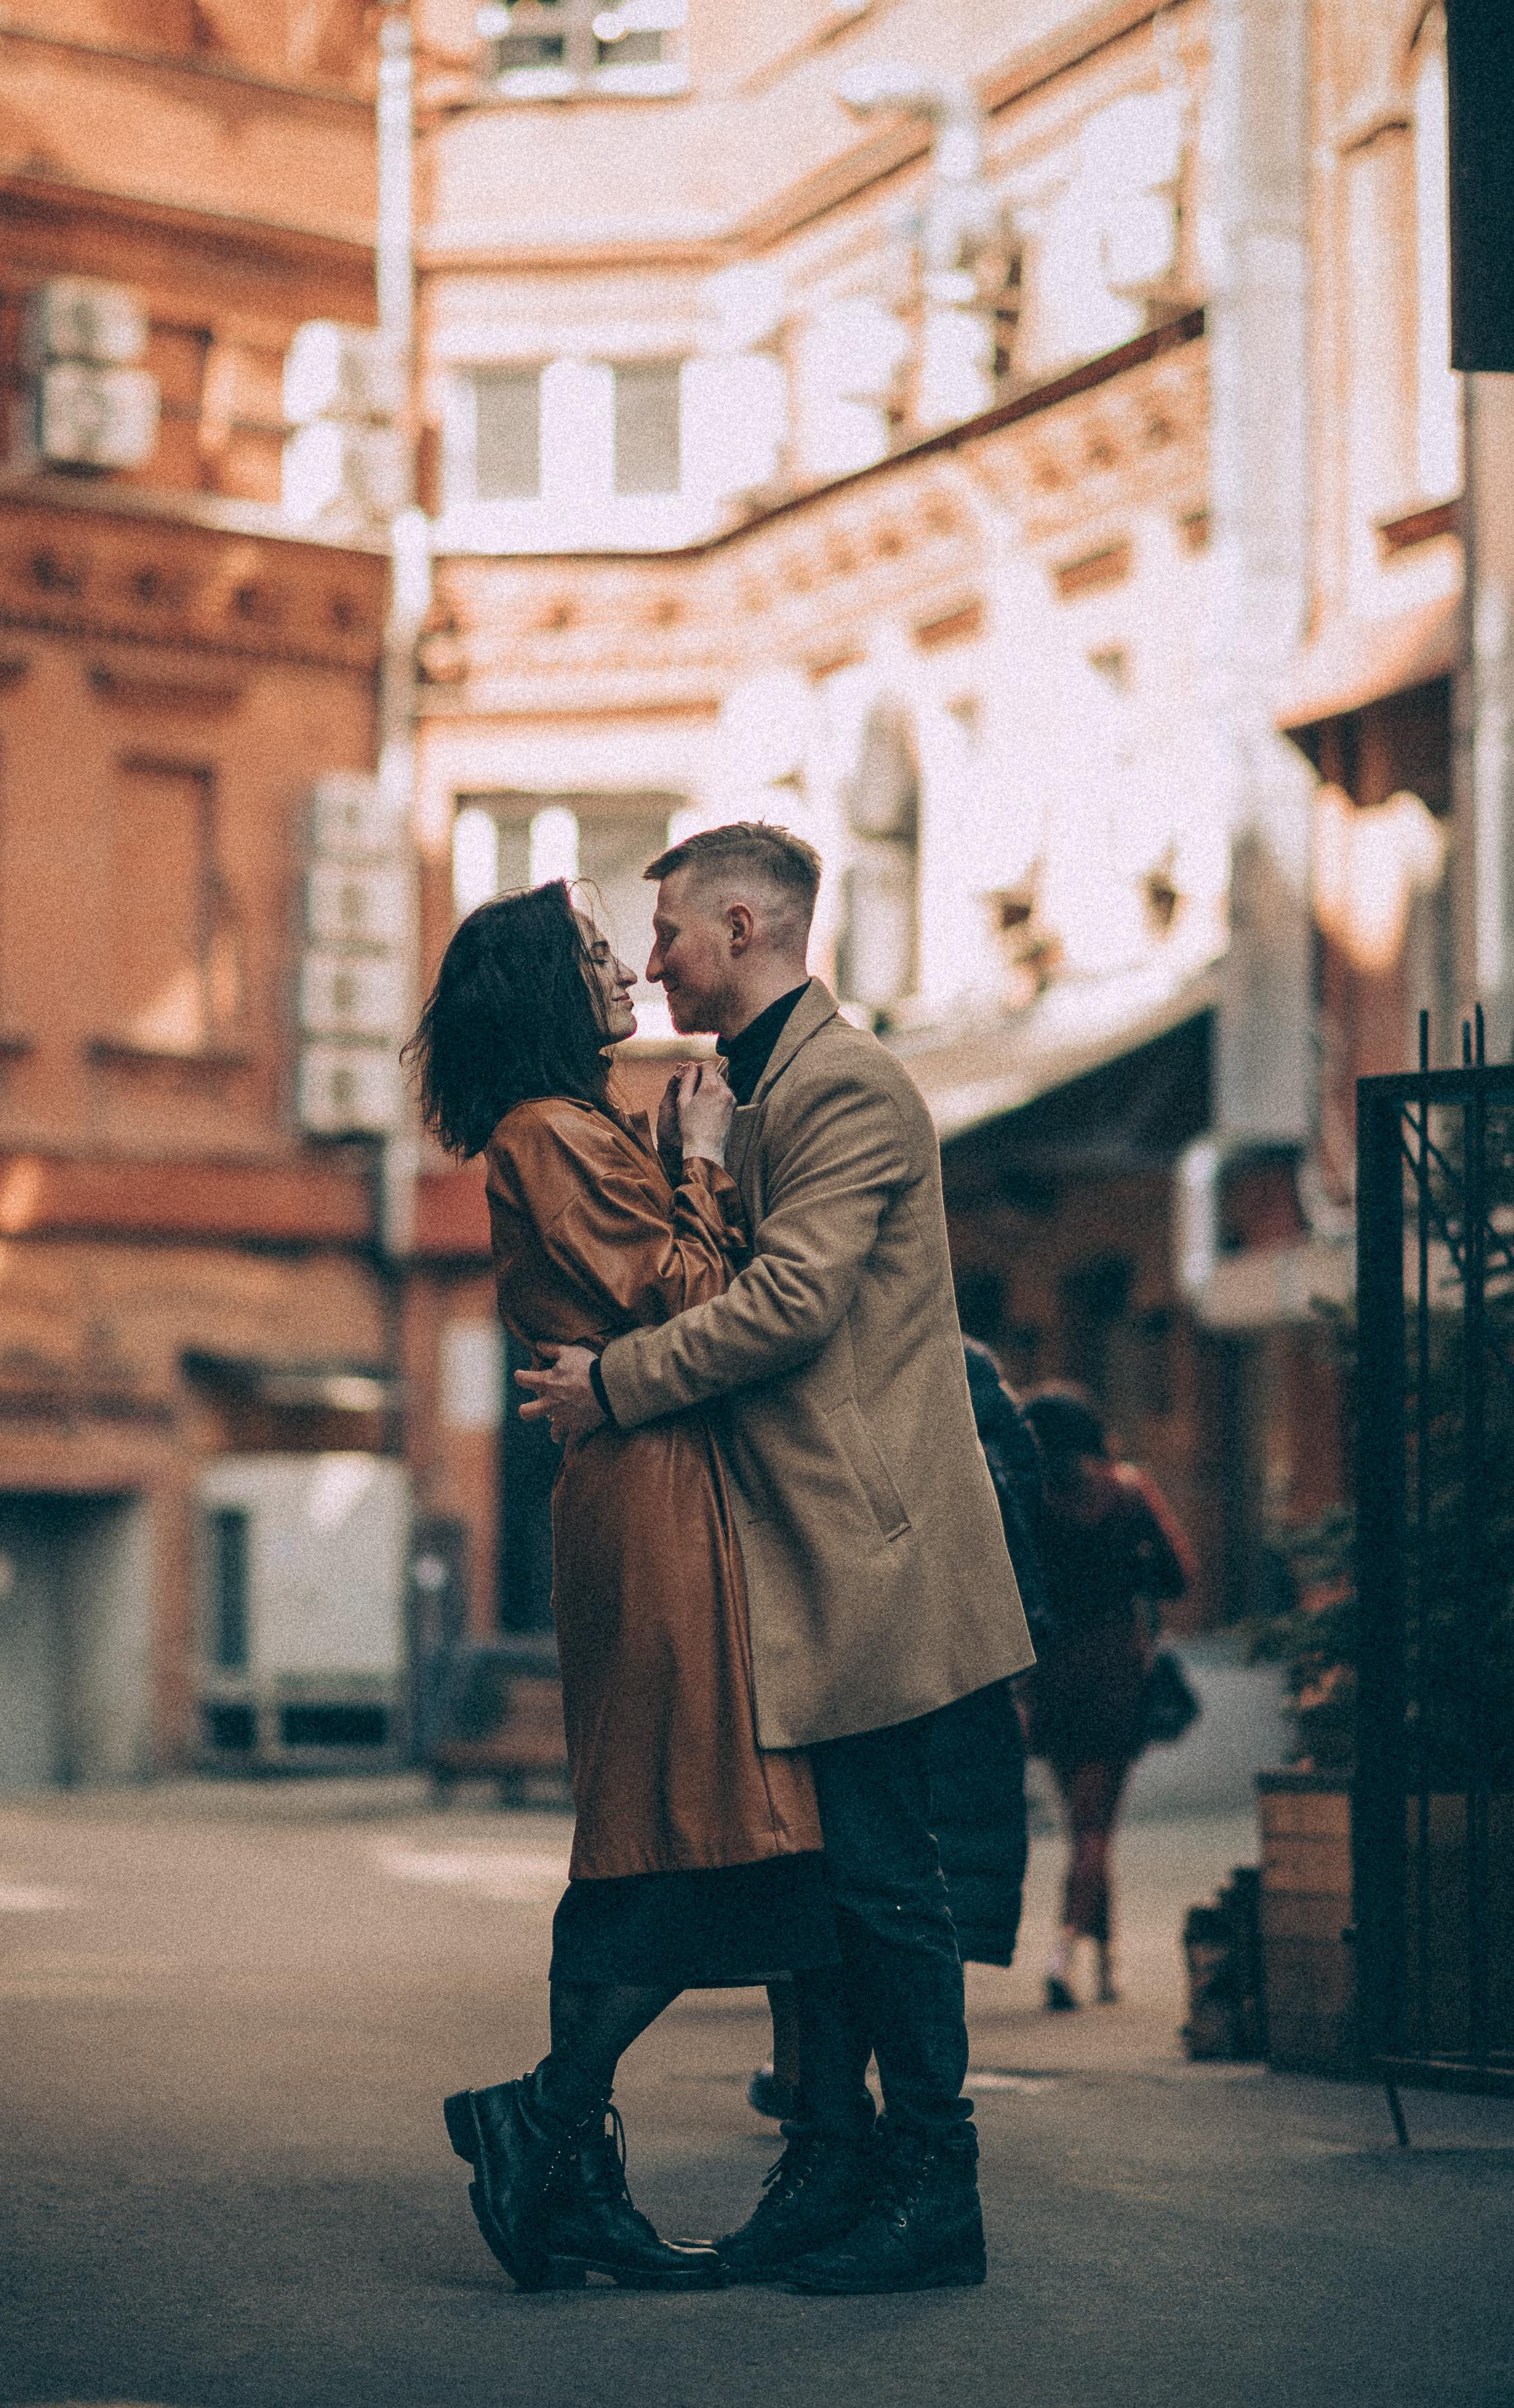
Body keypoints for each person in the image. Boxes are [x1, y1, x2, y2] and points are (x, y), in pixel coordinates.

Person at [516, 823, 1035, 2296]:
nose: (655, 955)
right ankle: (829, 2161)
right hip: (792, 1543)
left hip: (854, 1547)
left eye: (669, 929)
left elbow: (792, 1304)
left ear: (744, 925)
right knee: (834, 1881)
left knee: (881, 1880)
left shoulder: (847, 1085)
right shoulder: (748, 1089)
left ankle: (935, 2189)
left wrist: (609, 1384)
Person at [413, 879, 840, 2294]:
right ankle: (542, 2119)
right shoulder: (552, 1132)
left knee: (664, 1816)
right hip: (651, 1500)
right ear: (545, 991)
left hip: (650, 1486)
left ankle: (562, 2167)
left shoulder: (573, 1129)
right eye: (594, 953)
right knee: (677, 1813)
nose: (622, 969)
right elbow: (694, 1296)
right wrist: (706, 1161)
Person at [747, 1341, 1047, 2119]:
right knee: (910, 1892)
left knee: (856, 1884)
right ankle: (881, 2106)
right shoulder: (973, 1389)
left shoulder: (863, 1380)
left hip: (888, 1655)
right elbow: (1026, 1515)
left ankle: (831, 2093)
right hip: (968, 1663)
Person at [1019, 1384, 1195, 2011]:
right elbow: (1179, 1576)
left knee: (1082, 1823)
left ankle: (1106, 1963)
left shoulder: (1030, 1500)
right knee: (1095, 1828)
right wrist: (1129, 1571)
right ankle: (1064, 1955)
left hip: (1052, 1672)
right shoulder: (1127, 1491)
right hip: (1116, 1668)